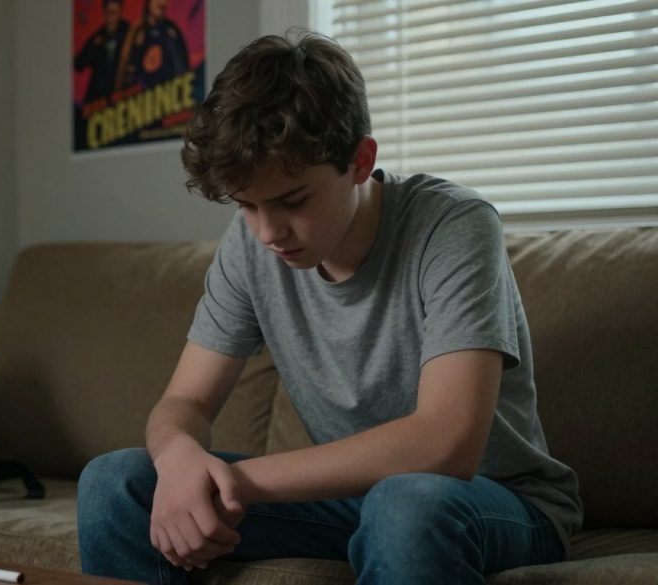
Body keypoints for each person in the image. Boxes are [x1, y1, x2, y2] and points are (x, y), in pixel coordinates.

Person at [78, 32, 583, 585]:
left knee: (405, 505)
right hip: (354, 503)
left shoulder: (453, 226)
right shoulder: (249, 247)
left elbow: (447, 443)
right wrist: (177, 460)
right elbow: (186, 400)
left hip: (494, 502)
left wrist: (232, 483)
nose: (267, 232)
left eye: (293, 201)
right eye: (247, 205)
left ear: (361, 161)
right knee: (114, 485)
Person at [115, 0, 188, 90]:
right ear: (148, 3)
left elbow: (183, 67)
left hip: (170, 95)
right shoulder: (136, 31)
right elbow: (125, 72)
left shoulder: (171, 30)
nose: (162, 3)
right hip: (142, 97)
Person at [74, 0, 130, 104]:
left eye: (115, 13)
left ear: (121, 13)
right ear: (104, 13)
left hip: (122, 97)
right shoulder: (97, 38)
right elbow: (78, 65)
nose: (112, 17)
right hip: (98, 100)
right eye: (109, 13)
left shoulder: (130, 34)